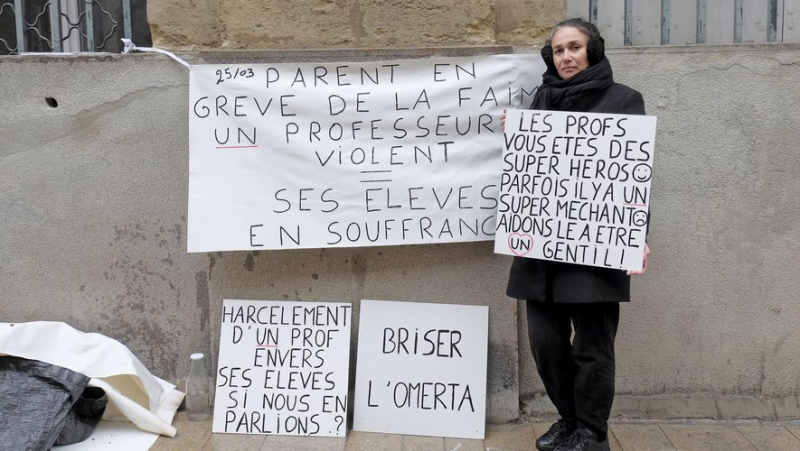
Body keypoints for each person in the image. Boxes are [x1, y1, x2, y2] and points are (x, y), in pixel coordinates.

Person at [502, 18, 652, 451]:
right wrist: (514, 136)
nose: (566, 57)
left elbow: (632, 176)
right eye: (559, 50)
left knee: (592, 348)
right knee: (546, 345)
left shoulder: (623, 100)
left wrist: (636, 235)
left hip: (597, 248)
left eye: (575, 47)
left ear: (593, 51)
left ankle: (591, 433)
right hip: (541, 251)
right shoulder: (539, 101)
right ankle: (569, 422)